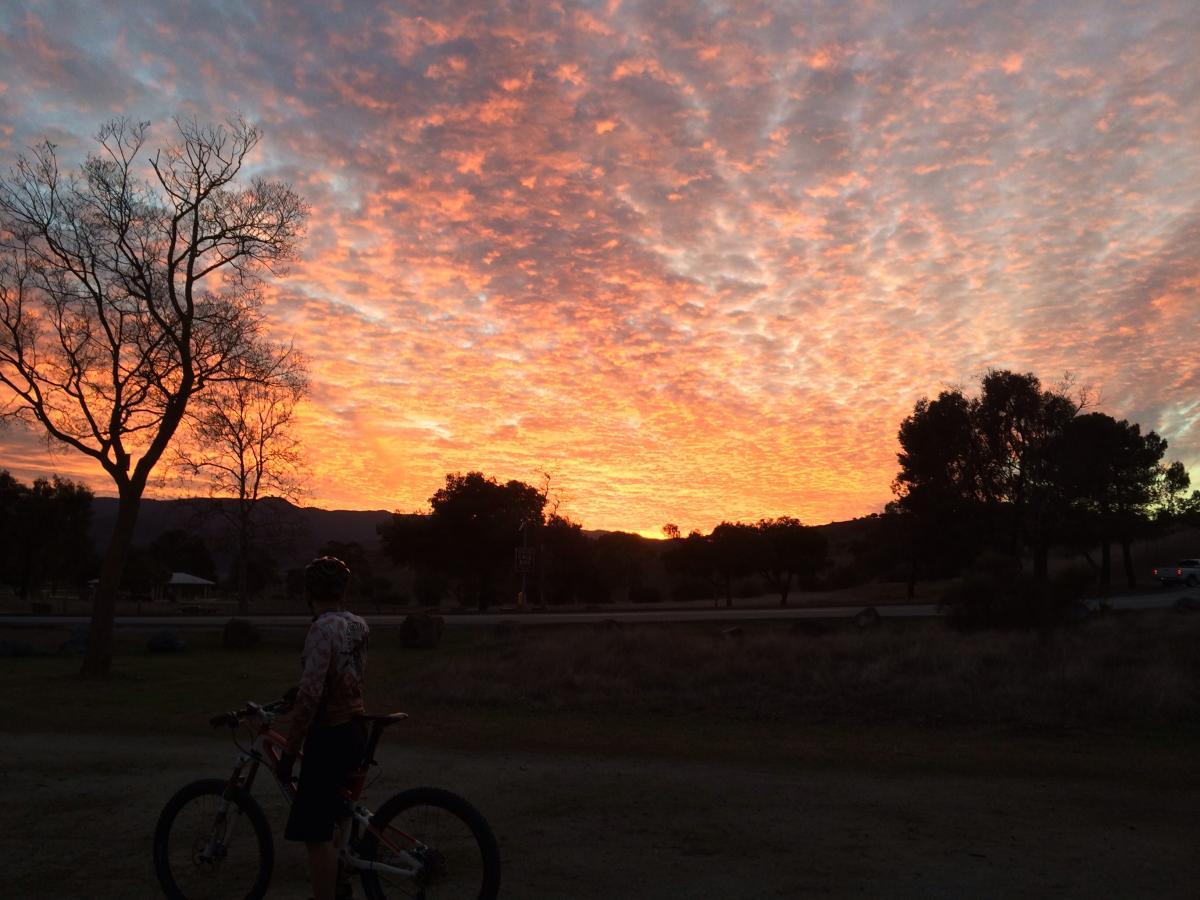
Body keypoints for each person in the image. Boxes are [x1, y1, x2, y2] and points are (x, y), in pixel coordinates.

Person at [277, 556, 370, 900]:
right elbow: (345, 677)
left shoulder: (320, 628)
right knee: (336, 814)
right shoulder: (358, 624)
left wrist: (290, 750)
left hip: (330, 734)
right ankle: (341, 879)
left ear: (308, 594)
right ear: (342, 592)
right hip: (355, 729)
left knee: (315, 835)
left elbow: (313, 694)